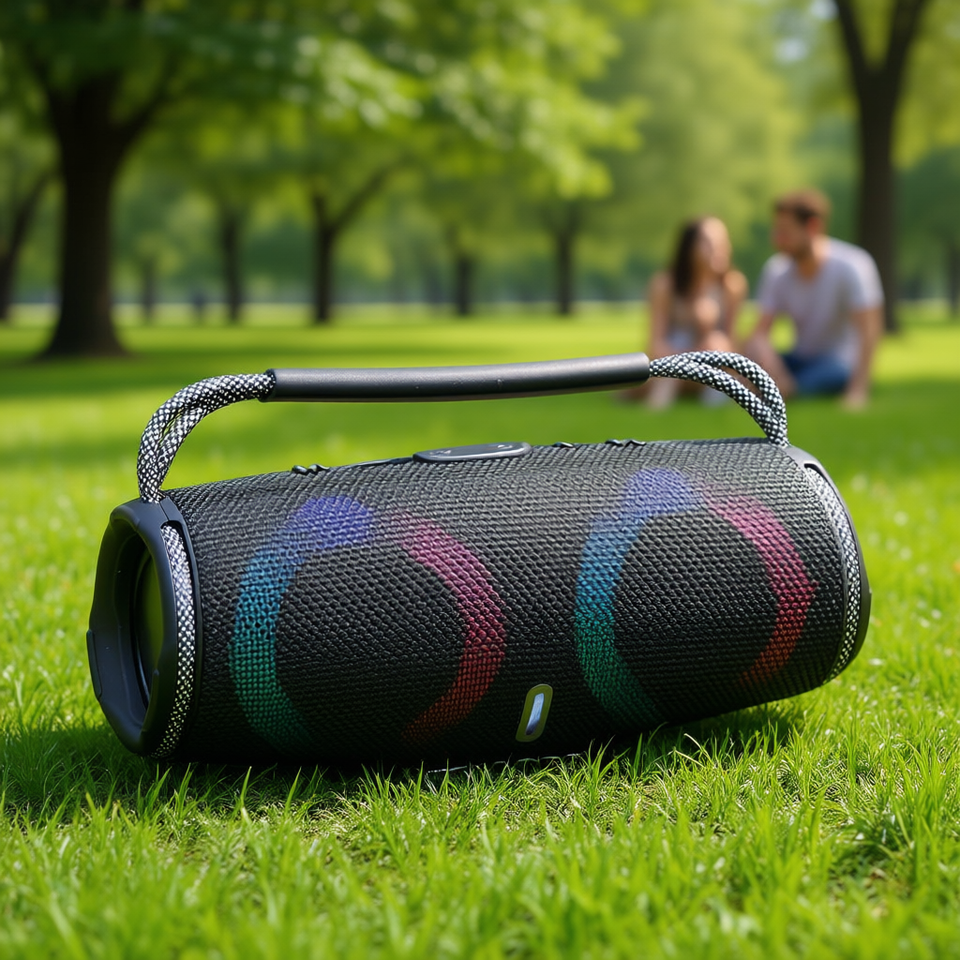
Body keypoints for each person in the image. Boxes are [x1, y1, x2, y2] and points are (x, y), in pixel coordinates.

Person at [745, 188, 883, 409]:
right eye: (776, 231)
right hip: (799, 358)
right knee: (746, 360)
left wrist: (858, 391)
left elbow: (869, 332)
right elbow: (760, 333)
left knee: (821, 376)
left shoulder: (852, 265)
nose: (777, 240)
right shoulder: (777, 270)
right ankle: (779, 388)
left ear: (812, 227)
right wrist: (771, 365)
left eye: (785, 232)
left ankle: (783, 390)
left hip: (839, 362)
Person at [636, 216, 747, 408]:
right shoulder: (665, 285)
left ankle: (714, 408)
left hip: (712, 364)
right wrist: (689, 359)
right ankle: (656, 410)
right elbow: (656, 344)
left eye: (723, 243)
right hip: (671, 366)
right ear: (689, 248)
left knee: (717, 343)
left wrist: (709, 342)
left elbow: (733, 345)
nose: (718, 249)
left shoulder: (732, 285)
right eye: (709, 243)